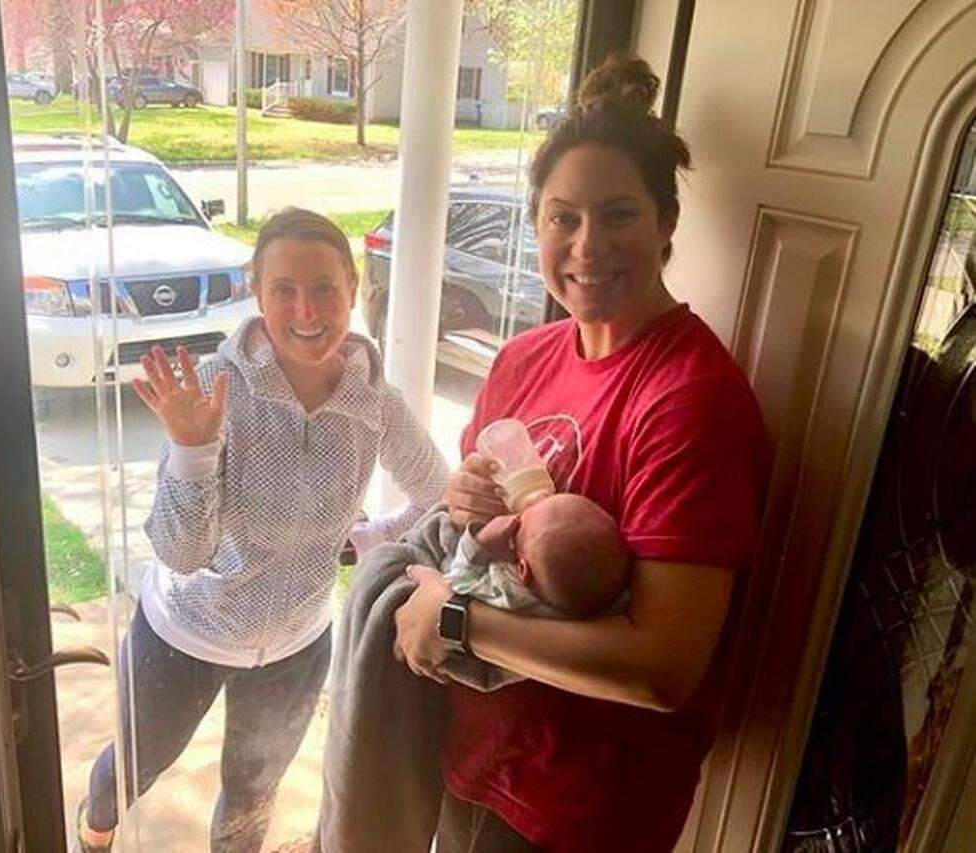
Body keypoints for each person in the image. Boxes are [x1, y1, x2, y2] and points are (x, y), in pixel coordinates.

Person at [393, 53, 771, 852]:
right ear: (537, 226)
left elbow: (662, 666)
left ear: (667, 223)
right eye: (563, 216)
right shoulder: (522, 359)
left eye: (619, 214)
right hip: (473, 757)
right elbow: (479, 530)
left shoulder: (691, 397)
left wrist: (457, 619)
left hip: (583, 808)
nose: (587, 243)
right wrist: (465, 503)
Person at [76, 208, 449, 853]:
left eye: (325, 288)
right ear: (257, 295)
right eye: (284, 290)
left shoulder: (374, 404)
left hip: (296, 646)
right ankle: (91, 835)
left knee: (252, 797)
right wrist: (192, 450)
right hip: (187, 632)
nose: (307, 309)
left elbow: (436, 493)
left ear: (353, 289)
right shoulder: (217, 395)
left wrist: (364, 544)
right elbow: (182, 554)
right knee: (128, 774)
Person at [446, 491, 628, 619]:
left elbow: (458, 583)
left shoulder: (510, 594)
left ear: (522, 569)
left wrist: (482, 541)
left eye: (518, 522)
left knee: (439, 527)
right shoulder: (607, 604)